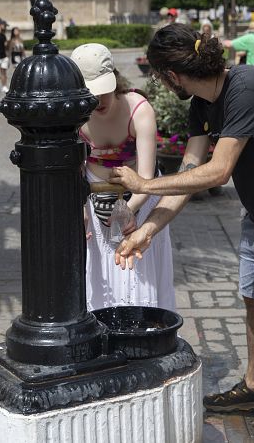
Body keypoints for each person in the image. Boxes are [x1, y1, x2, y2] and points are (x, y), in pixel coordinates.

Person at [109, 23, 254, 443]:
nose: (161, 82)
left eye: (160, 76)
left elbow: (219, 170)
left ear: (171, 76)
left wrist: (143, 186)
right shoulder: (202, 102)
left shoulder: (247, 87)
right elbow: (192, 173)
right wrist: (148, 231)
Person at [69, 43, 175, 312]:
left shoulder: (139, 110)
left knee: (136, 269)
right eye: (91, 94)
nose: (99, 101)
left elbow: (147, 179)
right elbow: (75, 168)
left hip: (139, 198)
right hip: (93, 198)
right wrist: (80, 207)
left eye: (104, 91)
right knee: (99, 270)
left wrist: (128, 210)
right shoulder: (73, 114)